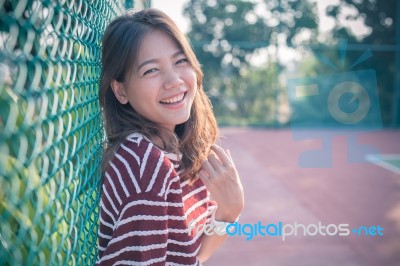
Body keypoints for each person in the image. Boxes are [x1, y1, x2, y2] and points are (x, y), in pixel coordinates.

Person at [97, 8, 244, 265]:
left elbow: (194, 256)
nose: (174, 80)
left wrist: (229, 211)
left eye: (180, 61)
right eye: (151, 70)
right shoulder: (144, 166)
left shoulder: (173, 151)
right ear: (120, 91)